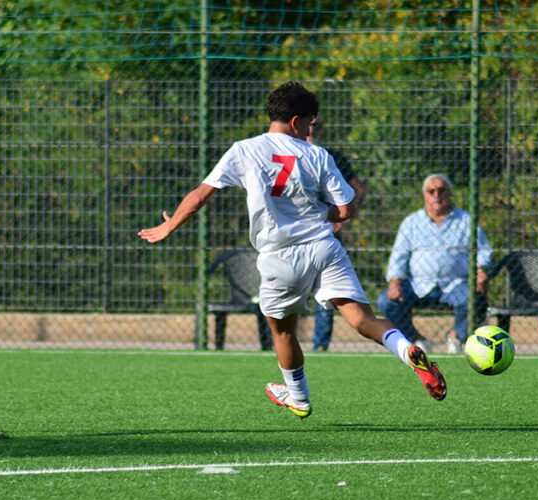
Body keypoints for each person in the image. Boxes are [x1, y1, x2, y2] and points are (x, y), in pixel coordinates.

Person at [139, 82, 447, 417]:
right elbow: (347, 209)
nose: (310, 130)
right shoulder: (318, 155)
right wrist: (321, 215)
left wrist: (169, 226)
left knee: (283, 331)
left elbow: (200, 196)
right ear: (296, 121)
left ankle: (299, 398)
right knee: (363, 320)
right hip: (324, 248)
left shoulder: (244, 150)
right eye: (310, 123)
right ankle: (407, 351)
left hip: (279, 257)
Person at [377, 173, 491, 355]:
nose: (437, 195)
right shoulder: (411, 223)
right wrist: (395, 282)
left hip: (455, 284)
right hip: (418, 285)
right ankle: (417, 340)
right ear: (425, 195)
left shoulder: (466, 220)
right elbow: (398, 256)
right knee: (386, 302)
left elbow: (484, 250)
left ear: (449, 193)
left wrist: (482, 271)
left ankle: (455, 337)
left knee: (476, 299)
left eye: (441, 190)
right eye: (431, 191)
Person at [306, 115, 366, 352]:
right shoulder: (288, 156)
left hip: (326, 234)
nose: (312, 130)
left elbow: (358, 189)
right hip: (294, 234)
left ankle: (320, 345)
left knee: (326, 287)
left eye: (316, 126)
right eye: (308, 125)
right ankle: (281, 342)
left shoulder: (332, 157)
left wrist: (344, 217)